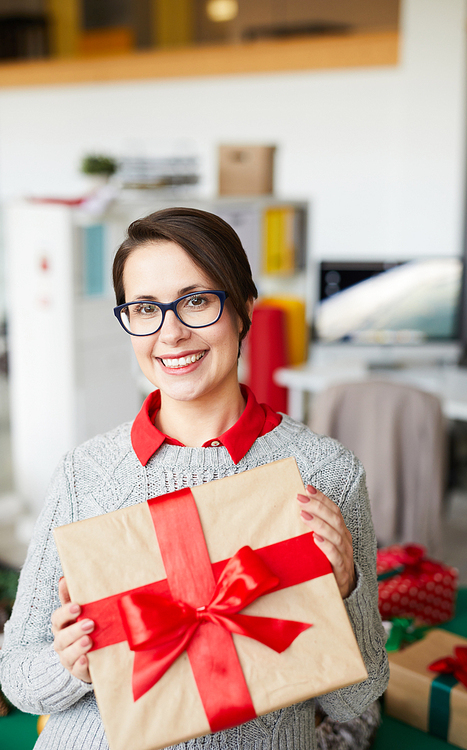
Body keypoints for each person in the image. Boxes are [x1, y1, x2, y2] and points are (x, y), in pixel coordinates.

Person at [0, 207, 389, 749]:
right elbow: (16, 674)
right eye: (144, 309)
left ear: (243, 310)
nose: (172, 333)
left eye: (197, 301)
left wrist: (344, 590)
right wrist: (73, 665)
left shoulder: (324, 475)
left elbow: (354, 701)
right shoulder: (83, 474)